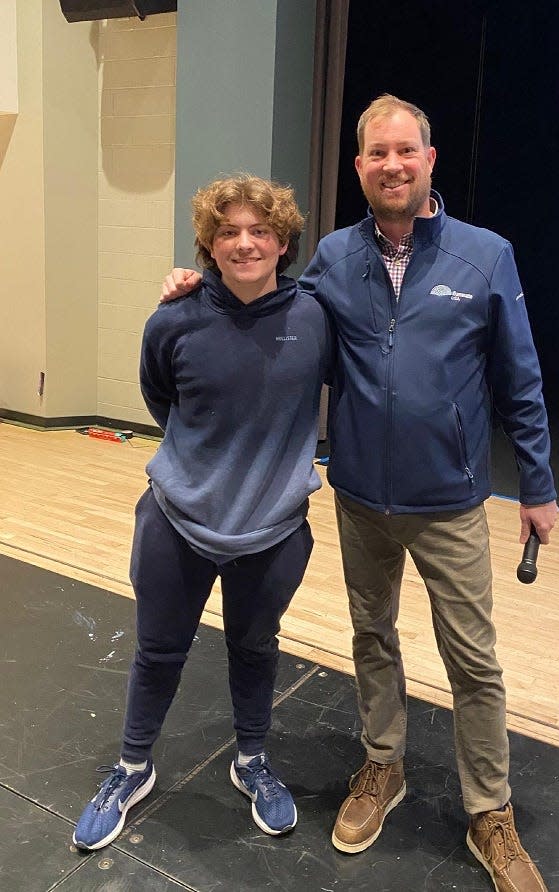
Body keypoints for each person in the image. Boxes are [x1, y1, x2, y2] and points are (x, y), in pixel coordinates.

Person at [162, 96, 558, 892]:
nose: (392, 165)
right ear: (359, 167)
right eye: (376, 153)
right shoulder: (336, 258)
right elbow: (266, 309)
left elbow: (520, 378)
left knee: (472, 661)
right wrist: (197, 283)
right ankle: (383, 766)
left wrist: (537, 486)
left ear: (428, 160)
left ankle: (490, 810)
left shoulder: (485, 255)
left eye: (405, 151)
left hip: (449, 499)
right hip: (359, 496)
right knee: (371, 636)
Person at [72, 174, 332, 852]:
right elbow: (162, 400)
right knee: (158, 654)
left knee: (254, 649)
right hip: (176, 522)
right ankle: (131, 769)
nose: (244, 243)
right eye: (227, 232)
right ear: (208, 245)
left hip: (273, 531)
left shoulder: (314, 317)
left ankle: (251, 762)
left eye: (259, 231)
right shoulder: (173, 319)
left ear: (282, 242)